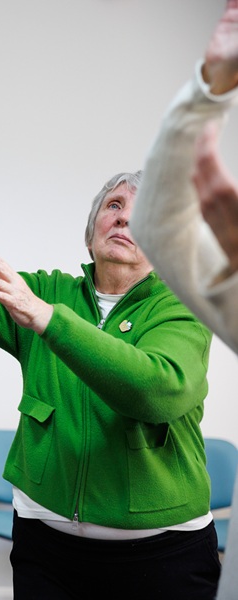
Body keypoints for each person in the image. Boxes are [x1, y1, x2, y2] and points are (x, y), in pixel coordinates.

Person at [0, 110, 220, 599]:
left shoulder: (182, 305)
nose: (124, 216)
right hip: (47, 547)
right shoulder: (48, 291)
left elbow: (156, 388)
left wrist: (48, 319)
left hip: (162, 556)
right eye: (114, 205)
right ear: (91, 233)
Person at [129, 2, 238, 596]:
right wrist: (210, 86)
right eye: (107, 211)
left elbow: (158, 386)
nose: (119, 225)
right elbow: (160, 223)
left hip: (173, 541)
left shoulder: (170, 311)